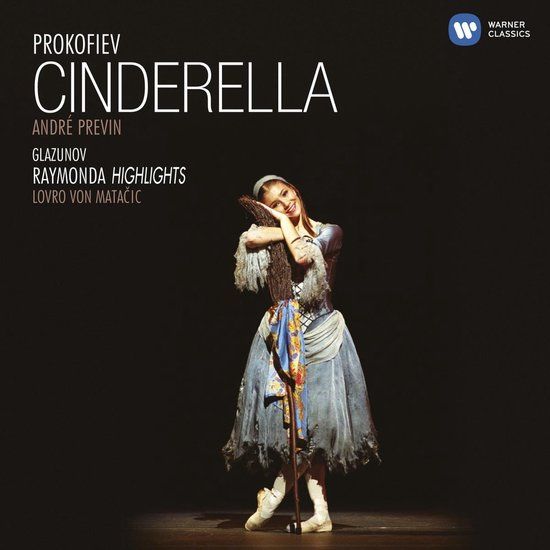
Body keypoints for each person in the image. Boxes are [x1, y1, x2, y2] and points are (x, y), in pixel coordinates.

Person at [222, 175, 380, 533]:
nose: (285, 203)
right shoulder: (280, 228)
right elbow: (250, 239)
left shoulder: (330, 232)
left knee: (316, 426)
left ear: (295, 189)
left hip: (322, 337)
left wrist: (279, 221)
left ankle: (273, 498)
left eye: (286, 194)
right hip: (283, 337)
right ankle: (321, 513)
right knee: (298, 428)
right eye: (274, 204)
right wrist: (281, 225)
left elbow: (303, 254)